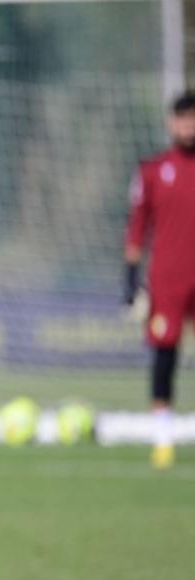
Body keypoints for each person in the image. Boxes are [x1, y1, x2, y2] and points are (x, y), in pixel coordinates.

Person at [124, 89, 195, 470]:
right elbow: (137, 228)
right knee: (164, 356)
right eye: (183, 118)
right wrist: (130, 278)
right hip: (168, 279)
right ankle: (163, 440)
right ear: (171, 122)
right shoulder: (153, 171)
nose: (188, 125)